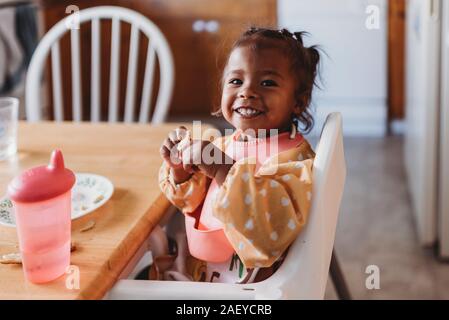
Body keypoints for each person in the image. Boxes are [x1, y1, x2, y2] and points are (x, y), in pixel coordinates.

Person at [157, 27, 320, 283]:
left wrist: (223, 168)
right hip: (206, 272)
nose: (246, 92)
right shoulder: (223, 144)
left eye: (267, 83)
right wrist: (180, 170)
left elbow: (269, 228)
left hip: (253, 288)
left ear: (298, 101)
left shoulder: (295, 161)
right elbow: (192, 203)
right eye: (236, 81)